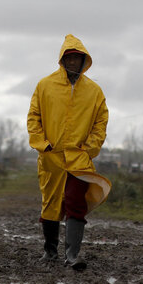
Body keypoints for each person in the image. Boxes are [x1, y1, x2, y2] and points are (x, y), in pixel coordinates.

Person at [27, 34, 111, 271]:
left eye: (78, 58)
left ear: (85, 61)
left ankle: (72, 256)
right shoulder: (45, 86)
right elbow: (34, 116)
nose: (73, 62)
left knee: (76, 203)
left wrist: (90, 148)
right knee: (51, 202)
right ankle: (50, 252)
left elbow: (101, 121)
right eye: (69, 58)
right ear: (62, 59)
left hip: (79, 158)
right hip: (52, 157)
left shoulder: (94, 91)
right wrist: (43, 144)